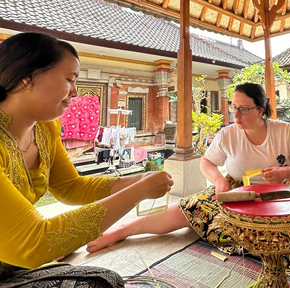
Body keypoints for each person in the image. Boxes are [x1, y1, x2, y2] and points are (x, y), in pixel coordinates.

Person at [0, 32, 173, 287]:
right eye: (69, 79)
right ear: (28, 77)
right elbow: (34, 241)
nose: (75, 91)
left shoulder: (45, 130)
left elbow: (70, 187)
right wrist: (137, 192)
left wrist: (137, 181)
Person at [87, 83, 290, 262]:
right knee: (188, 209)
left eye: (244, 109)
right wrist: (218, 180)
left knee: (272, 238)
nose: (236, 115)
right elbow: (206, 162)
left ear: (261, 110)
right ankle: (122, 231)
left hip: (276, 196)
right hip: (236, 192)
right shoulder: (228, 134)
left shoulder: (285, 132)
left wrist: (286, 173)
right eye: (233, 108)